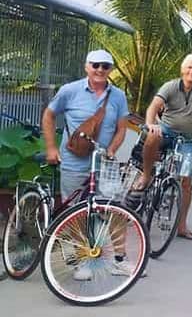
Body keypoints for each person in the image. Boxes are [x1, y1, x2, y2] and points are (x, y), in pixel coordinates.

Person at [41, 49, 132, 279]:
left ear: (110, 70)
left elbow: (122, 128)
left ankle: (119, 259)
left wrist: (112, 149)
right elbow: (49, 115)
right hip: (74, 160)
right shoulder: (70, 90)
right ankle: (79, 261)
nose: (100, 70)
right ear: (87, 67)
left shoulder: (118, 96)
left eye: (105, 66)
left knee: (115, 209)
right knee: (75, 212)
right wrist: (51, 148)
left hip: (103, 161)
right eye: (96, 65)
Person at [138, 54, 192, 240]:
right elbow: (153, 108)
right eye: (189, 68)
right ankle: (146, 174)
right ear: (182, 70)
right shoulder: (171, 86)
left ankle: (181, 226)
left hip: (188, 139)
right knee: (151, 137)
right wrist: (150, 124)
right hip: (167, 131)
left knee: (186, 182)